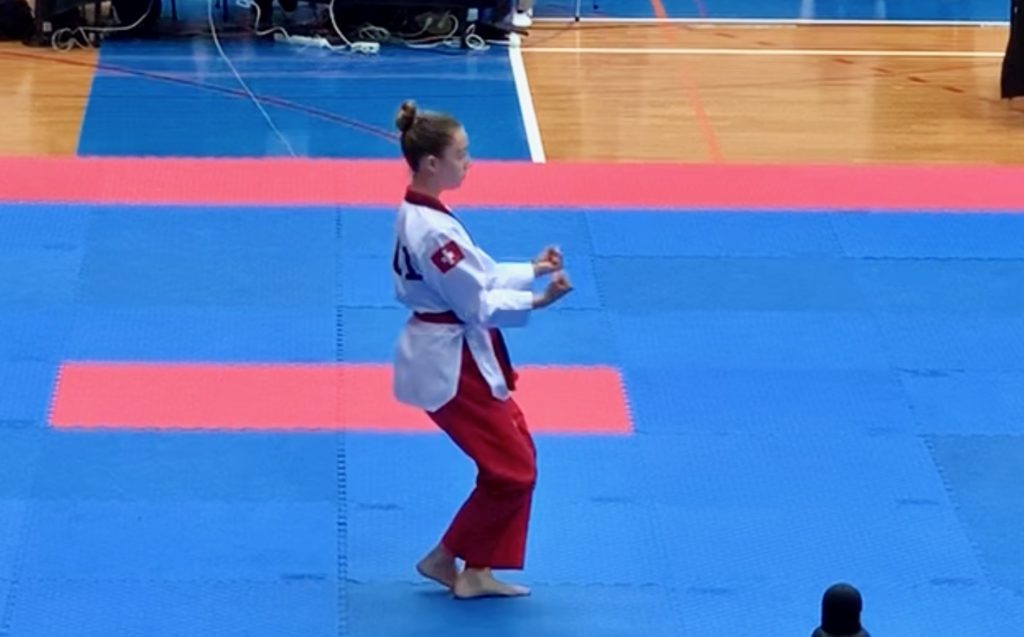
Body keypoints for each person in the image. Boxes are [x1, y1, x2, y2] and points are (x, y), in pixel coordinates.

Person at [389, 99, 573, 599]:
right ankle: (457, 561)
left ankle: (468, 566)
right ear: (432, 163)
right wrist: (539, 300)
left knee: (516, 456)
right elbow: (475, 302)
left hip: (459, 350)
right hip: (453, 364)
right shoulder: (432, 232)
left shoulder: (426, 213)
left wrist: (532, 269)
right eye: (461, 155)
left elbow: (477, 273)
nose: (469, 163)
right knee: (514, 468)